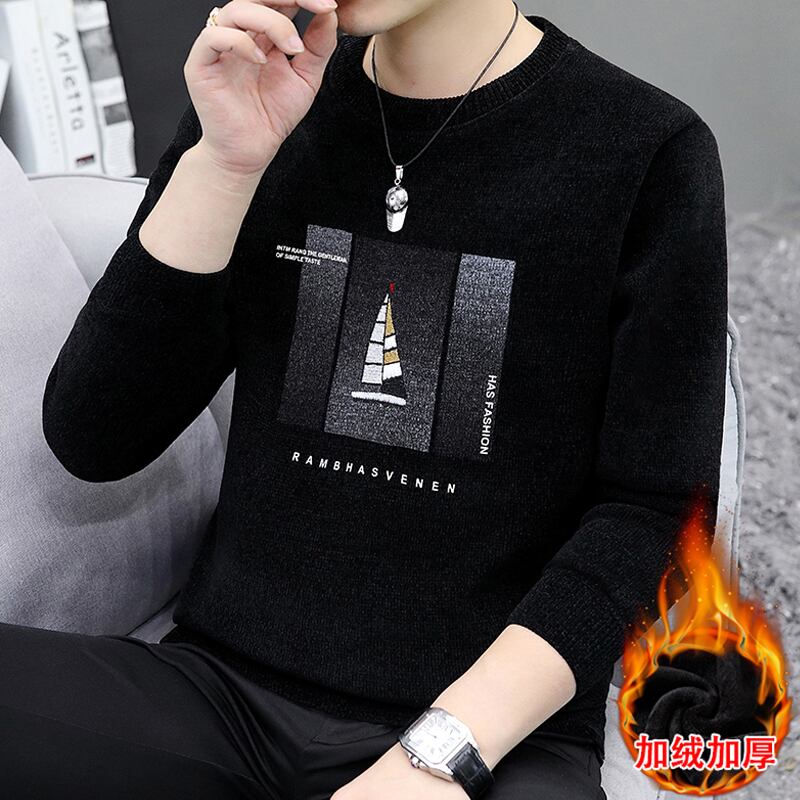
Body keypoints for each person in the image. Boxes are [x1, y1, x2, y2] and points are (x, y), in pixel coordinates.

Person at [1, 0, 728, 797]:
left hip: (491, 739)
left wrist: (438, 757)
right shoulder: (262, 96)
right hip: (221, 695)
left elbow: (655, 513)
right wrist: (224, 164)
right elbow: (94, 438)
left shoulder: (644, 148)